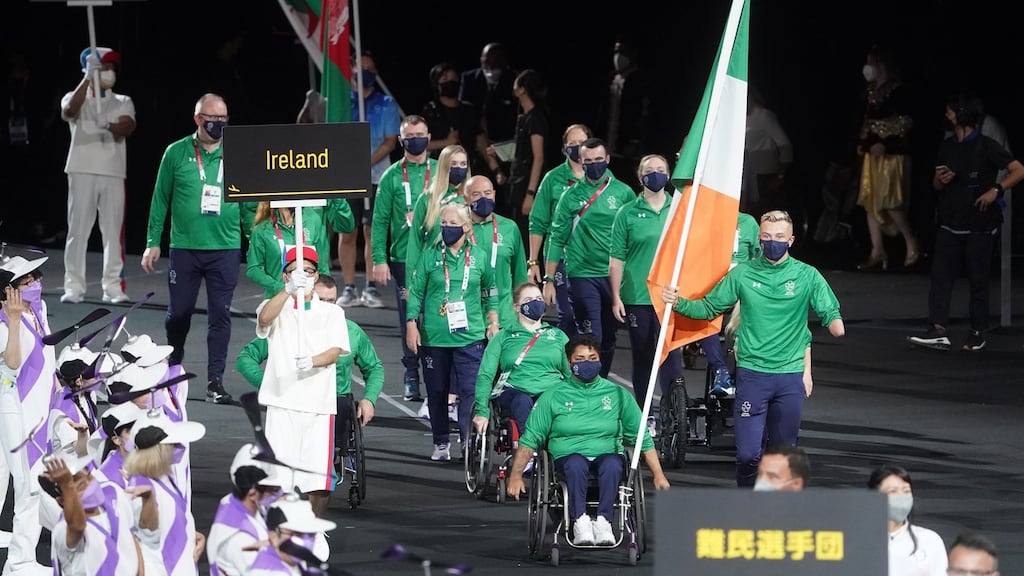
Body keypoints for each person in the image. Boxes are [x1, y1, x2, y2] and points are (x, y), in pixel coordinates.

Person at [661, 210, 844, 487]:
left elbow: (828, 308)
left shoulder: (807, 275)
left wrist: (833, 320)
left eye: (779, 237)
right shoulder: (743, 275)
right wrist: (679, 302)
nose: (773, 242)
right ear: (759, 239)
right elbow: (710, 307)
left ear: (791, 240)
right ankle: (747, 501)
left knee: (783, 456)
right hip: (752, 375)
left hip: (789, 375)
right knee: (748, 455)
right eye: (767, 237)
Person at [507, 334, 670, 547]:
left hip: (607, 455)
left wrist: (658, 475)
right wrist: (516, 475)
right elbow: (531, 439)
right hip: (567, 458)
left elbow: (642, 439)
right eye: (580, 358)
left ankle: (604, 521)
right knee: (576, 463)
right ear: (569, 362)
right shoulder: (553, 395)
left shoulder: (618, 394)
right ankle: (580, 521)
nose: (587, 363)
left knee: (613, 463)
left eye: (593, 359)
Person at [141, 93, 245, 406]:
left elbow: (251, 202)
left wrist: (257, 240)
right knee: (179, 314)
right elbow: (160, 199)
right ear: (198, 119)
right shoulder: (175, 152)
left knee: (220, 316)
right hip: (185, 248)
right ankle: (173, 369)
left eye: (225, 119)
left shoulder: (238, 151)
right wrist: (151, 242)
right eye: (215, 119)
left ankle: (215, 380)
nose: (221, 124)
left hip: (225, 247)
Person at [237, 274, 383, 483]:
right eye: (321, 300)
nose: (326, 306)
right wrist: (270, 382)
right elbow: (245, 358)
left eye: (331, 301)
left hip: (333, 401)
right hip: (292, 398)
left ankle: (326, 463)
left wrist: (370, 398)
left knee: (341, 404)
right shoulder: (286, 325)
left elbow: (374, 367)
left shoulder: (351, 331)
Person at [907, 94, 1024, 352]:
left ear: (961, 114)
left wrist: (997, 189)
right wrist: (941, 180)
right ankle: (937, 328)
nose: (947, 115)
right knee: (941, 276)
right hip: (951, 220)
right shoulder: (948, 146)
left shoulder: (986, 145)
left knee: (977, 278)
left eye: (951, 111)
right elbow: (936, 184)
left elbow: (1018, 169)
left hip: (980, 224)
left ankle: (977, 331)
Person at [256, 246, 349, 517]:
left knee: (318, 479)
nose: (303, 275)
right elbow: (264, 319)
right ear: (285, 276)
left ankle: (313, 531)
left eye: (308, 271)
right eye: (296, 271)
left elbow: (335, 352)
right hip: (282, 401)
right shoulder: (276, 307)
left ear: (316, 274)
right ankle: (275, 530)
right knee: (276, 476)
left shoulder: (333, 313)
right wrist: (286, 292)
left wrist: (312, 360)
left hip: (318, 405)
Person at [405, 202, 499, 461]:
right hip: (435, 336)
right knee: (436, 391)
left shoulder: (479, 257)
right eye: (443, 224)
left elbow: (490, 292)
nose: (446, 229)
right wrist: (411, 323)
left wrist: (493, 320)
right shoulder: (430, 256)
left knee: (470, 390)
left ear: (466, 227)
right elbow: (416, 293)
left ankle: (468, 441)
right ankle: (441, 442)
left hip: (470, 336)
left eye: (452, 224)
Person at [543, 137, 636, 378]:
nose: (593, 165)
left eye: (598, 160)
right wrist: (549, 279)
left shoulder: (624, 192)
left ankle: (599, 383)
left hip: (614, 276)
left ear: (607, 160)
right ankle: (583, 383)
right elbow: (557, 238)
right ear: (580, 162)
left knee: (609, 336)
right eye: (588, 161)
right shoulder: (570, 196)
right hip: (582, 274)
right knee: (593, 336)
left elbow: (634, 234)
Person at [59, 46, 136, 305]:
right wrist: (86, 79)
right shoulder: (75, 96)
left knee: (112, 232)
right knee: (77, 230)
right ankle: (74, 286)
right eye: (105, 68)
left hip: (112, 171)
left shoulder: (122, 100)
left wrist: (110, 125)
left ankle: (112, 286)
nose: (110, 73)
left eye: (113, 69)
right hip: (81, 169)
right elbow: (69, 111)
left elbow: (128, 126)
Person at [371, 115, 438, 402]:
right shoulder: (392, 176)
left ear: (429, 136)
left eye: (420, 134)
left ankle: (436, 375)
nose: (415, 139)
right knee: (409, 319)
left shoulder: (440, 171)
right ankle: (411, 373)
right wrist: (379, 258)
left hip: (438, 257)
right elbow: (379, 221)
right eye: (409, 135)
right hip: (403, 259)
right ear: (401, 141)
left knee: (436, 319)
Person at [609, 154, 684, 407]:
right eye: (650, 170)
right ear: (640, 177)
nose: (656, 173)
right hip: (637, 296)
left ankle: (673, 413)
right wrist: (616, 296)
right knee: (643, 356)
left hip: (669, 296)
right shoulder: (627, 213)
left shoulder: (679, 211)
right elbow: (617, 258)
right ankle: (644, 413)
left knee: (671, 356)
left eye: (661, 169)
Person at [0, 255, 55, 576]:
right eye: (27, 281)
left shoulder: (39, 311)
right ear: (9, 291)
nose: (35, 284)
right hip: (16, 410)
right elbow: (14, 362)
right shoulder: (6, 323)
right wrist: (15, 321)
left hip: (38, 409)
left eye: (36, 277)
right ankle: (19, 561)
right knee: (28, 485)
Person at [340, 51, 400, 309]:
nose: (366, 72)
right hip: (347, 178)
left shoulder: (386, 103)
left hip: (377, 178)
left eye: (370, 68)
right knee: (348, 231)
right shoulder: (341, 102)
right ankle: (350, 287)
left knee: (370, 231)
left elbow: (390, 142)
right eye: (361, 67)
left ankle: (370, 286)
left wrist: (365, 163)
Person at [472, 282, 570, 438]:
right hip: (515, 391)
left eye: (539, 298)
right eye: (529, 299)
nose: (536, 302)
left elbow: (570, 374)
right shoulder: (503, 337)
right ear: (517, 307)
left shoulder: (558, 336)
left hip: (550, 390)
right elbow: (486, 375)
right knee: (522, 401)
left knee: (554, 402)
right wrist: (481, 411)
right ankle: (528, 452)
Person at [855, 44, 920, 271]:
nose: (867, 67)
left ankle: (911, 242)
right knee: (870, 201)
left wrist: (885, 143)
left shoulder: (898, 91)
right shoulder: (872, 91)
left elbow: (904, 124)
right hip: (873, 156)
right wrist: (864, 144)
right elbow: (868, 123)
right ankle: (877, 250)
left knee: (891, 201)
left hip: (892, 157)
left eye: (871, 62)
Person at [39, 453, 157, 576]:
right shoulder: (62, 530)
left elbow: (130, 538)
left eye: (89, 477)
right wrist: (67, 485)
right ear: (62, 501)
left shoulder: (113, 493)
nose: (90, 485)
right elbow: (77, 527)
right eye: (81, 486)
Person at [124, 409, 207, 576]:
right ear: (159, 450)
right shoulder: (141, 487)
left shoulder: (163, 478)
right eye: (173, 444)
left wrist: (187, 531)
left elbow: (166, 519)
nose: (180, 447)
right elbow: (148, 535)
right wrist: (147, 501)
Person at [528, 123, 592, 336]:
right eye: (571, 144)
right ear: (564, 148)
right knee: (567, 315)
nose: (577, 147)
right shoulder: (553, 178)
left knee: (590, 316)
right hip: (560, 257)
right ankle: (565, 362)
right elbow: (537, 222)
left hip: (592, 259)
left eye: (582, 143)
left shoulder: (603, 179)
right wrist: (533, 261)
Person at [698, 210, 762, 397]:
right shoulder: (704, 219)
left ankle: (739, 370)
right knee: (705, 315)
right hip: (712, 287)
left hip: (740, 287)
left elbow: (757, 259)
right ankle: (721, 371)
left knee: (746, 316)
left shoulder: (748, 222)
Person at [246, 201, 355, 299]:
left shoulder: (313, 221)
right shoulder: (263, 229)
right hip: (277, 298)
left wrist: (321, 293)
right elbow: (254, 268)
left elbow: (322, 266)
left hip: (311, 298)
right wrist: (280, 288)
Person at [206, 444, 285, 576]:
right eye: (273, 490)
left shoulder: (232, 503)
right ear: (253, 493)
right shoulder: (241, 539)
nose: (279, 493)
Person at [463, 175, 527, 328]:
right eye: (476, 194)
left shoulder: (509, 227)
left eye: (487, 193)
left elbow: (520, 274)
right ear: (466, 198)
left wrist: (522, 313)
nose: (483, 198)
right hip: (470, 319)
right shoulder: (459, 229)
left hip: (505, 318)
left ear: (494, 194)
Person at [867, 464, 947, 576]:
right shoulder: (856, 540)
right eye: (893, 491)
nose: (901, 497)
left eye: (906, 491)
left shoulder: (929, 540)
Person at [405, 144, 470, 272]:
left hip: (466, 273)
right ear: (444, 167)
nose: (459, 168)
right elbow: (414, 243)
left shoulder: (471, 199)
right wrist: (410, 284)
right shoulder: (427, 199)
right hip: (434, 273)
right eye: (454, 164)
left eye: (463, 164)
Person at [459, 42, 519, 178]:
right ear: (481, 59)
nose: (491, 65)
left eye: (496, 60)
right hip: (476, 147)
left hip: (504, 147)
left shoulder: (514, 80)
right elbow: (464, 112)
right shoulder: (469, 79)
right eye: (487, 60)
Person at [422, 61, 488, 175]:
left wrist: (496, 169)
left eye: (453, 78)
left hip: (470, 169)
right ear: (437, 85)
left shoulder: (469, 110)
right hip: (442, 170)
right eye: (445, 79)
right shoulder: (431, 111)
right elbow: (422, 144)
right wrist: (446, 142)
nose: (450, 82)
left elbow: (481, 142)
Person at [505, 69, 548, 236]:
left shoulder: (535, 118)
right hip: (518, 183)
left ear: (522, 88)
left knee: (524, 234)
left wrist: (530, 194)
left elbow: (539, 157)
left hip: (526, 186)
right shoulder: (525, 117)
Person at [249, 497, 336, 575]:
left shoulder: (296, 564)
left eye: (311, 534)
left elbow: (321, 553)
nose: (307, 540)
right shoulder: (269, 572)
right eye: (297, 534)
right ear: (274, 535)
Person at [742, 85, 792, 219]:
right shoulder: (740, 117)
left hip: (764, 176)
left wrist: (780, 176)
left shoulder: (764, 116)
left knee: (761, 214)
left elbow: (785, 146)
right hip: (747, 175)